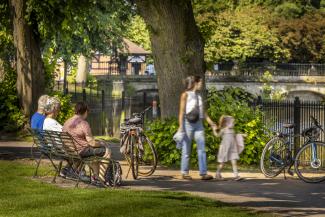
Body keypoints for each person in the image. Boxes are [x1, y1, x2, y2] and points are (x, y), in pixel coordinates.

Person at [178, 75, 217, 180]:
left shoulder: (199, 96)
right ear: (195, 83)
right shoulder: (185, 95)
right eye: (200, 82)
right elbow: (181, 112)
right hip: (188, 124)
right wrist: (181, 126)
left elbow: (203, 113)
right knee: (186, 148)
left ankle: (203, 173)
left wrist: (211, 123)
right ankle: (184, 172)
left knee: (202, 148)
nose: (201, 84)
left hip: (199, 124)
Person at [63, 102, 111, 183]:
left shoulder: (67, 122)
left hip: (69, 150)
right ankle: (100, 177)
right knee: (106, 150)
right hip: (80, 151)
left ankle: (96, 176)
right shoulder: (83, 123)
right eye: (87, 112)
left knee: (94, 152)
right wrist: (102, 143)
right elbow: (91, 143)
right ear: (85, 112)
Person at [213, 115, 242, 181]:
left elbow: (235, 138)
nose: (234, 124)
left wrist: (242, 136)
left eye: (234, 122)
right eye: (232, 122)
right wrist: (214, 130)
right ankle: (217, 174)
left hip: (232, 149)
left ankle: (236, 175)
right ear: (227, 123)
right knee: (222, 163)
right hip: (225, 149)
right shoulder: (223, 130)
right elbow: (217, 136)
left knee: (234, 162)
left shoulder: (233, 131)